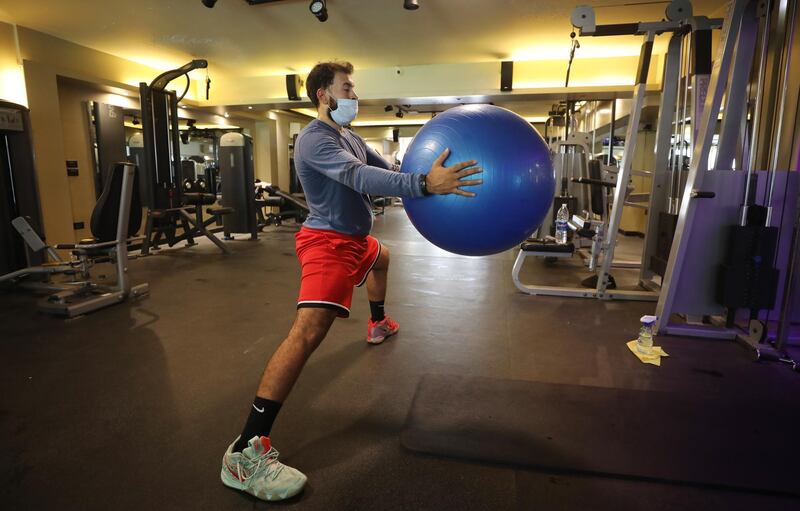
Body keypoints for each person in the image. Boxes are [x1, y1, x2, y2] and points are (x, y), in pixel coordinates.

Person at [220, 61, 482, 502]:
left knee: (384, 258)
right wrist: (423, 183)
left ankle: (377, 322)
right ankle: (244, 450)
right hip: (327, 244)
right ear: (324, 94)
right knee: (307, 333)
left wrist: (426, 170)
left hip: (357, 241)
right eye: (348, 87)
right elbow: (357, 176)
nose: (355, 95)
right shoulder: (315, 139)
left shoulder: (350, 136)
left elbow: (380, 167)